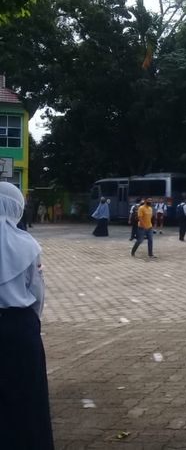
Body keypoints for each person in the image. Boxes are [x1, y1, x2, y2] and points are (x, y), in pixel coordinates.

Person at [0, 183, 55, 450]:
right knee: (26, 399)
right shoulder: (27, 245)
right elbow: (37, 293)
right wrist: (29, 323)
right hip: (19, 329)